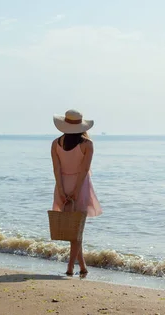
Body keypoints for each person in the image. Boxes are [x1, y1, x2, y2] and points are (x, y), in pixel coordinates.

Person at [51, 109, 103, 277]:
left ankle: (82, 266)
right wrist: (75, 191)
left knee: (74, 228)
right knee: (77, 229)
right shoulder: (87, 144)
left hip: (62, 185)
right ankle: (70, 268)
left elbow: (56, 169)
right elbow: (84, 170)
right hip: (80, 186)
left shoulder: (55, 143)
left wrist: (61, 190)